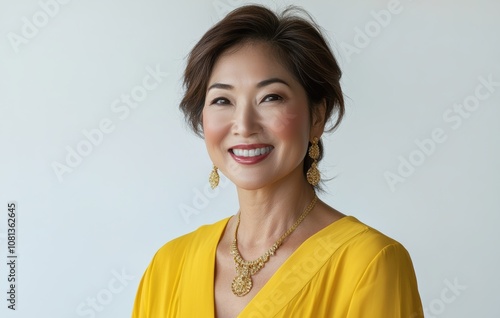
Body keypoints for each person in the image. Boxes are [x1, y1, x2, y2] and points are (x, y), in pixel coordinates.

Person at [132, 4, 423, 318]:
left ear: (317, 116)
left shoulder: (369, 263)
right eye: (222, 100)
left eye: (271, 97)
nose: (243, 124)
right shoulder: (168, 265)